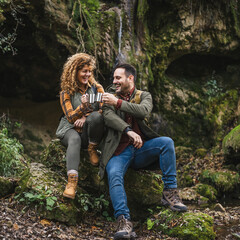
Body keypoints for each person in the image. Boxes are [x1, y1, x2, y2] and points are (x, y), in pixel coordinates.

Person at [100, 63, 187, 240]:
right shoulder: (108, 95)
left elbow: (143, 111)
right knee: (114, 175)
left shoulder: (143, 95)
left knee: (166, 142)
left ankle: (170, 193)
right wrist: (127, 130)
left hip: (140, 151)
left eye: (118, 78)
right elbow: (108, 117)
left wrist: (118, 103)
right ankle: (124, 222)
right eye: (114, 77)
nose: (114, 81)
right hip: (118, 151)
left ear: (130, 79)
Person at [56, 53, 104, 199]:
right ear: (74, 71)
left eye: (89, 71)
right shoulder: (66, 92)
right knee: (74, 139)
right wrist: (82, 107)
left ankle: (92, 148)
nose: (87, 74)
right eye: (84, 71)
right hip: (70, 129)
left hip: (88, 131)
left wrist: (85, 117)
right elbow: (70, 117)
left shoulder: (96, 88)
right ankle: (72, 183)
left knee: (97, 116)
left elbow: (105, 109)